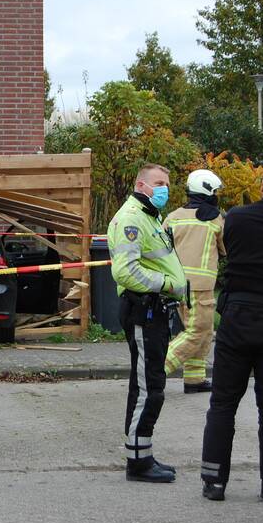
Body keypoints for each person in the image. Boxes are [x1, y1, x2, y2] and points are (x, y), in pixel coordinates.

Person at [200, 163, 263, 503]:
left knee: (223, 404)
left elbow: (228, 251)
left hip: (237, 318)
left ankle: (214, 481)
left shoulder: (237, 219)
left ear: (262, 184)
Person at [107, 163, 189, 483]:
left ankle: (142, 454)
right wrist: (167, 285)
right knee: (148, 387)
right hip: (144, 311)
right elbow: (125, 272)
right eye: (158, 183)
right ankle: (138, 462)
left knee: (149, 384)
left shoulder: (148, 216)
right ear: (141, 184)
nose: (164, 189)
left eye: (167, 183)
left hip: (153, 311)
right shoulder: (131, 219)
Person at [163, 169, 226, 393]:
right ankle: (155, 372)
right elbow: (224, 249)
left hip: (176, 283)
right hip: (199, 286)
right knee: (197, 332)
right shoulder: (215, 220)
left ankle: (194, 380)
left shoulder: (172, 217)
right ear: (208, 191)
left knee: (205, 330)